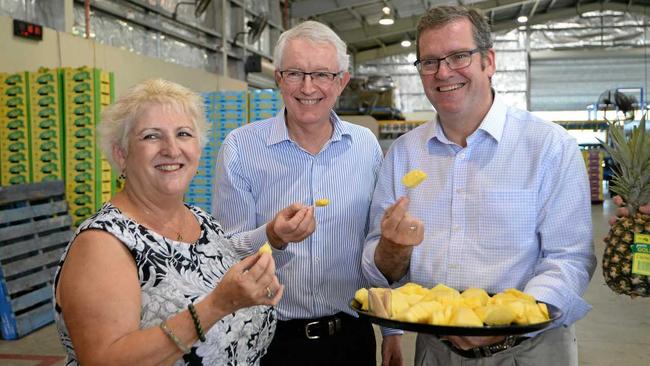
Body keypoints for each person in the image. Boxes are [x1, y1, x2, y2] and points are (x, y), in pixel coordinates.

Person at [362, 5, 596, 365]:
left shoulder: (549, 146)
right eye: (430, 61)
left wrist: (511, 320)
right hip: (436, 351)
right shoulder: (404, 154)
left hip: (531, 351)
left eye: (458, 56)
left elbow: (569, 258)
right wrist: (393, 250)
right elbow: (380, 262)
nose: (443, 72)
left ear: (488, 61)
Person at [53, 79, 312, 365]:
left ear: (198, 148)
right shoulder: (103, 244)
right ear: (121, 154)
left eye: (184, 134)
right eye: (151, 136)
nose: (172, 149)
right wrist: (216, 307)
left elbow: (215, 265)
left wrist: (274, 237)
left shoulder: (200, 221)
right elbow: (105, 360)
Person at [212, 21, 402, 365]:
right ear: (278, 78)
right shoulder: (241, 148)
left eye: (322, 75)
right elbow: (225, 252)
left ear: (341, 82)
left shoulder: (364, 147)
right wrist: (272, 237)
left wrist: (391, 330)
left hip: (351, 337)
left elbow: (374, 240)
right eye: (295, 73)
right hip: (269, 340)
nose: (308, 86)